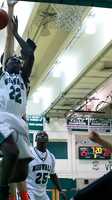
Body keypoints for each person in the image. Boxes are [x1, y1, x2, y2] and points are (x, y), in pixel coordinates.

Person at [0, 0, 36, 199]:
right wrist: (10, 9)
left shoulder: (23, 77)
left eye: (17, 59)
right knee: (11, 154)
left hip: (19, 123)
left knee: (22, 171)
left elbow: (30, 55)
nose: (15, 59)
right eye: (11, 59)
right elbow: (7, 45)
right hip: (2, 118)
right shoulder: (3, 75)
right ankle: (3, 192)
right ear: (4, 64)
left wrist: (16, 34)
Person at [16, 131, 67, 200]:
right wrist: (20, 191)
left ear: (47, 142)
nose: (42, 144)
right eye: (40, 142)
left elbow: (53, 175)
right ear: (36, 141)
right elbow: (19, 173)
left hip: (42, 193)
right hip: (29, 191)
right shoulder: (29, 153)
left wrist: (60, 190)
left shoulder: (51, 157)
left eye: (44, 142)